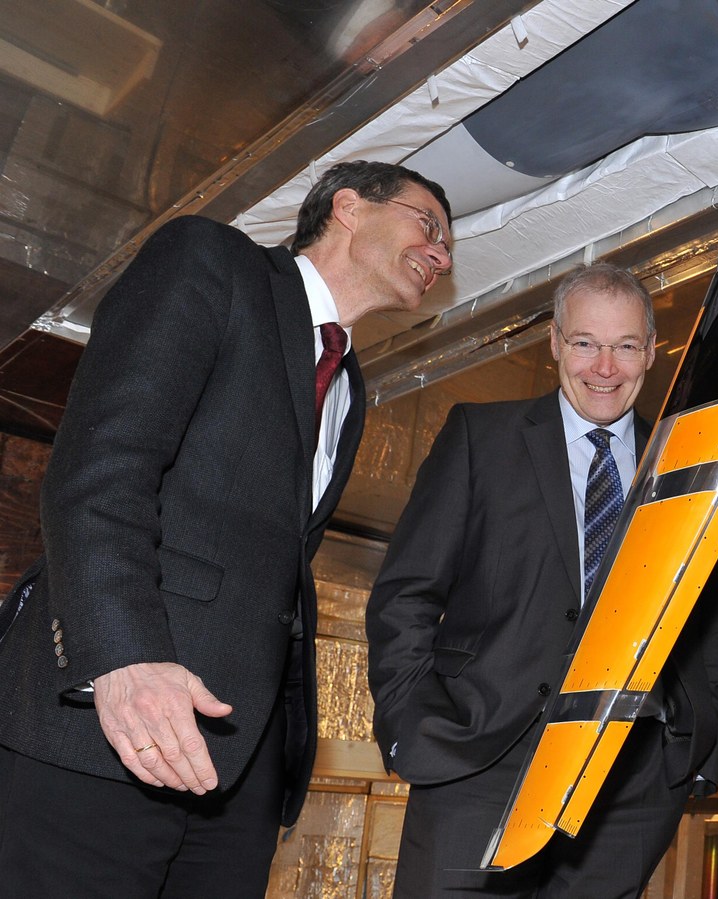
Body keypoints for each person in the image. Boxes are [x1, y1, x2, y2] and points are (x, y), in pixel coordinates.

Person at [0, 160, 453, 897]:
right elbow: (100, 469)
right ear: (346, 206)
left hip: (237, 773)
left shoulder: (351, 386)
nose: (441, 254)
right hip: (106, 726)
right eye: (428, 225)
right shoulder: (209, 260)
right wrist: (123, 660)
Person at [365, 262, 718, 898]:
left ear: (651, 352)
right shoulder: (481, 437)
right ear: (557, 343)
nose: (604, 368)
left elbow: (712, 626)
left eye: (624, 346)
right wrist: (413, 727)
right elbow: (406, 596)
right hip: (480, 763)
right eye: (586, 343)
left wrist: (691, 741)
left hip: (631, 784)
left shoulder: (691, 466)